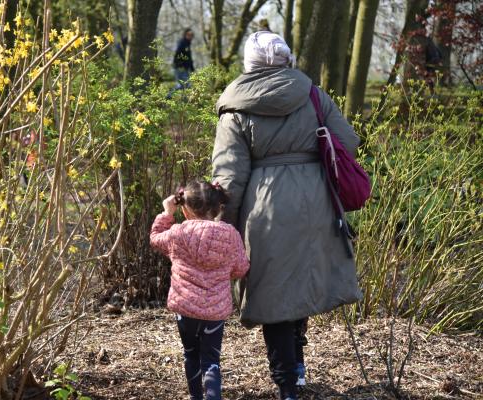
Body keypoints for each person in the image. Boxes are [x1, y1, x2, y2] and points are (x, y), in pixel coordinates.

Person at [211, 31, 362, 400]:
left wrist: (223, 226)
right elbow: (349, 141)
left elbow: (229, 176)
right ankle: (296, 370)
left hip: (265, 209)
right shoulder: (312, 94)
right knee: (300, 285)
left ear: (249, 64)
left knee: (274, 295)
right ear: (285, 58)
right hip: (315, 201)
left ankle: (285, 384)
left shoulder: (236, 108)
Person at [150, 180, 250, 400]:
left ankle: (196, 396)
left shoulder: (178, 233)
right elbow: (241, 268)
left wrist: (167, 213)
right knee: (212, 360)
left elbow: (155, 239)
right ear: (217, 207)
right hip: (216, 311)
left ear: (184, 208)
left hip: (185, 308)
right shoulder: (230, 235)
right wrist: (223, 272)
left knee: (191, 354)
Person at [168, 28, 195, 97]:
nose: (190, 36)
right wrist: (179, 65)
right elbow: (177, 54)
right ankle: (168, 96)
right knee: (181, 85)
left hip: (185, 68)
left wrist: (192, 68)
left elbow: (189, 58)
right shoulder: (182, 42)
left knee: (186, 85)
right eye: (189, 34)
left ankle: (184, 101)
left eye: (191, 35)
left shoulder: (187, 44)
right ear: (185, 34)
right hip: (180, 68)